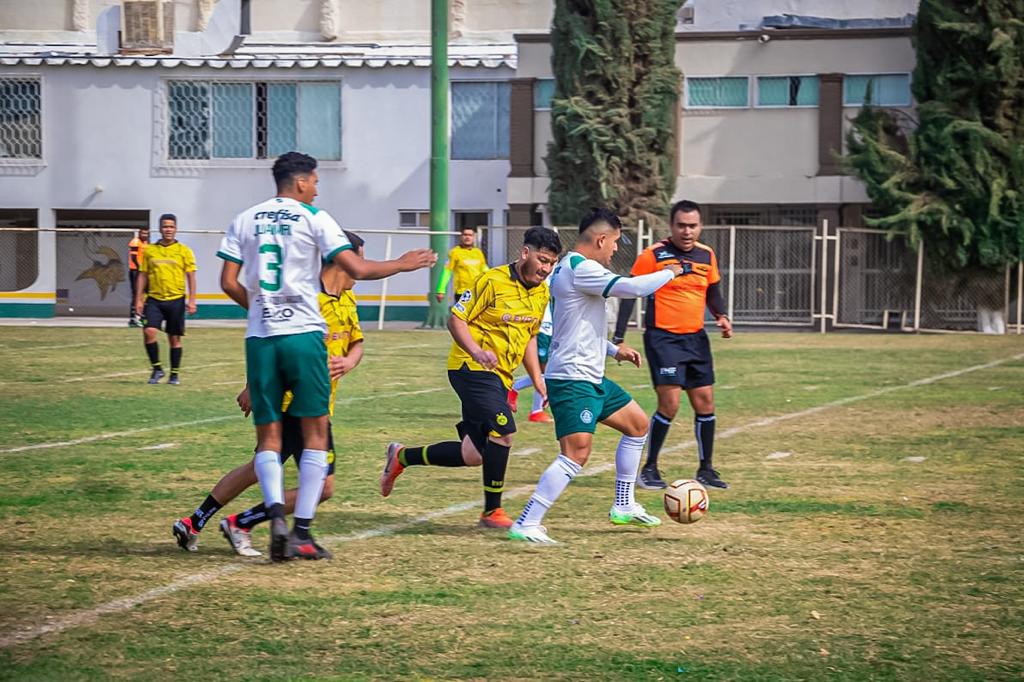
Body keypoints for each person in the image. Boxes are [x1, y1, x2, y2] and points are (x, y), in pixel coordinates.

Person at [217, 151, 435, 561]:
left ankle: (276, 519)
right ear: (300, 182)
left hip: (261, 337)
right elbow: (357, 267)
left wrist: (262, 308)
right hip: (303, 334)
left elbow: (227, 280)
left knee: (269, 439)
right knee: (316, 433)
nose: (317, 189)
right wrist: (404, 264)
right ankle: (299, 532)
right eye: (315, 182)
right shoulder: (314, 217)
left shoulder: (244, 218)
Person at [172, 233, 366, 557]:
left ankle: (194, 522)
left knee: (259, 468)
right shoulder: (307, 295)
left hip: (317, 404)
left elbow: (356, 342)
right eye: (358, 259)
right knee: (322, 486)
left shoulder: (345, 298)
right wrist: (254, 384)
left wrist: (348, 360)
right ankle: (243, 523)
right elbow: (270, 335)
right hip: (296, 404)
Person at [508, 208, 683, 545]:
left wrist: (614, 350)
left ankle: (624, 504)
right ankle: (527, 521)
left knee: (637, 425)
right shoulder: (580, 268)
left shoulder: (572, 269)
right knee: (576, 454)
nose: (615, 249)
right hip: (573, 379)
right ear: (601, 239)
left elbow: (577, 327)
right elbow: (632, 288)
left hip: (590, 374)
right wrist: (670, 273)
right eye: (615, 242)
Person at [381, 226, 561, 529]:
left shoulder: (542, 292)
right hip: (469, 367)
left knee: (474, 453)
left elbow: (530, 337)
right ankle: (492, 512)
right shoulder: (492, 280)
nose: (545, 268)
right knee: (503, 431)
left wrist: (538, 379)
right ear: (525, 253)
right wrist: (477, 351)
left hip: (499, 376)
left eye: (551, 263)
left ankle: (402, 456)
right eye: (542, 260)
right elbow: (456, 319)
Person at [612, 200, 733, 490]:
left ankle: (706, 469)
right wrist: (619, 336)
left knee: (705, 402)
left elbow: (713, 290)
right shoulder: (654, 255)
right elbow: (629, 293)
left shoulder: (707, 255)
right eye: (681, 225)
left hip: (695, 338)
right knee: (671, 403)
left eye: (692, 225)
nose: (687, 231)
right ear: (672, 225)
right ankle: (649, 468)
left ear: (700, 226)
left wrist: (722, 316)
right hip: (662, 338)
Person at [134, 215, 196, 385]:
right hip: (154, 299)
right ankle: (157, 369)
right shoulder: (150, 251)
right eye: (165, 226)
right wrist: (138, 299)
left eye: (171, 226)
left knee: (174, 338)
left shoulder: (184, 251)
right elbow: (143, 275)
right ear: (160, 229)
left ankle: (174, 374)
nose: (168, 229)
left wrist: (192, 300)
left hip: (176, 300)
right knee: (149, 332)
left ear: (175, 229)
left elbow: (191, 276)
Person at [507, 276, 555, 423]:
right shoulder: (544, 274)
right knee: (545, 370)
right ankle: (536, 411)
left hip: (550, 328)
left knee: (547, 371)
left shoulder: (558, 270)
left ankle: (514, 389)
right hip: (541, 327)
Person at [435, 227, 488, 304]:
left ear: (474, 237)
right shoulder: (455, 252)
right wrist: (441, 290)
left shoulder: (478, 252)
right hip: (463, 292)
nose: (467, 237)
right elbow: (447, 271)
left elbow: (485, 270)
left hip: (478, 291)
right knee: (462, 316)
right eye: (465, 235)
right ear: (461, 237)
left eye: (470, 235)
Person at [127, 227, 149, 327]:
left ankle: (143, 316)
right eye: (143, 233)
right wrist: (140, 268)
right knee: (136, 293)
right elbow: (134, 257)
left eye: (146, 233)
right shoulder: (136, 242)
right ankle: (133, 319)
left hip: (143, 271)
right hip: (135, 271)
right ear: (139, 233)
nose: (145, 235)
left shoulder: (146, 243)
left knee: (146, 293)